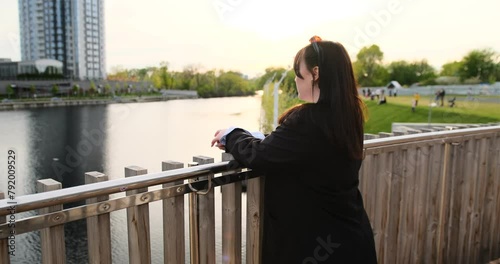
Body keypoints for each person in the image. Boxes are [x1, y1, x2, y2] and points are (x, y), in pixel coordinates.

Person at [211, 36, 377, 263]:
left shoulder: (308, 120)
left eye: (299, 74)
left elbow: (259, 155)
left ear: (315, 74)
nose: (296, 80)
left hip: (314, 245)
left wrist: (231, 134)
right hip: (351, 238)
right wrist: (259, 137)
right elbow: (297, 147)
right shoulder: (348, 114)